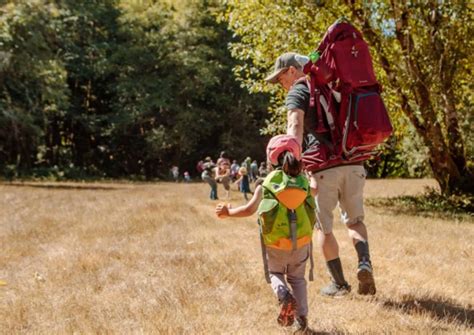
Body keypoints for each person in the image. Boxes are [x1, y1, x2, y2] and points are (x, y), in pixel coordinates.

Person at [265, 52, 376, 296]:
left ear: (293, 70)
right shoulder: (335, 86)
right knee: (355, 221)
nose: (281, 84)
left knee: (324, 229)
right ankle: (364, 263)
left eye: (281, 77)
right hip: (354, 162)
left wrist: (290, 163)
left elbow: (295, 125)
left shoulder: (299, 90)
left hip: (324, 168)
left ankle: (339, 284)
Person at [215, 135, 318, 333]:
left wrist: (228, 213)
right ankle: (302, 318)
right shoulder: (303, 182)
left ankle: (283, 295)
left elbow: (249, 209)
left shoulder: (266, 184)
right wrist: (312, 174)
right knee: (297, 279)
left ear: (271, 158)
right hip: (302, 241)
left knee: (275, 273)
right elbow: (315, 190)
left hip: (276, 243)